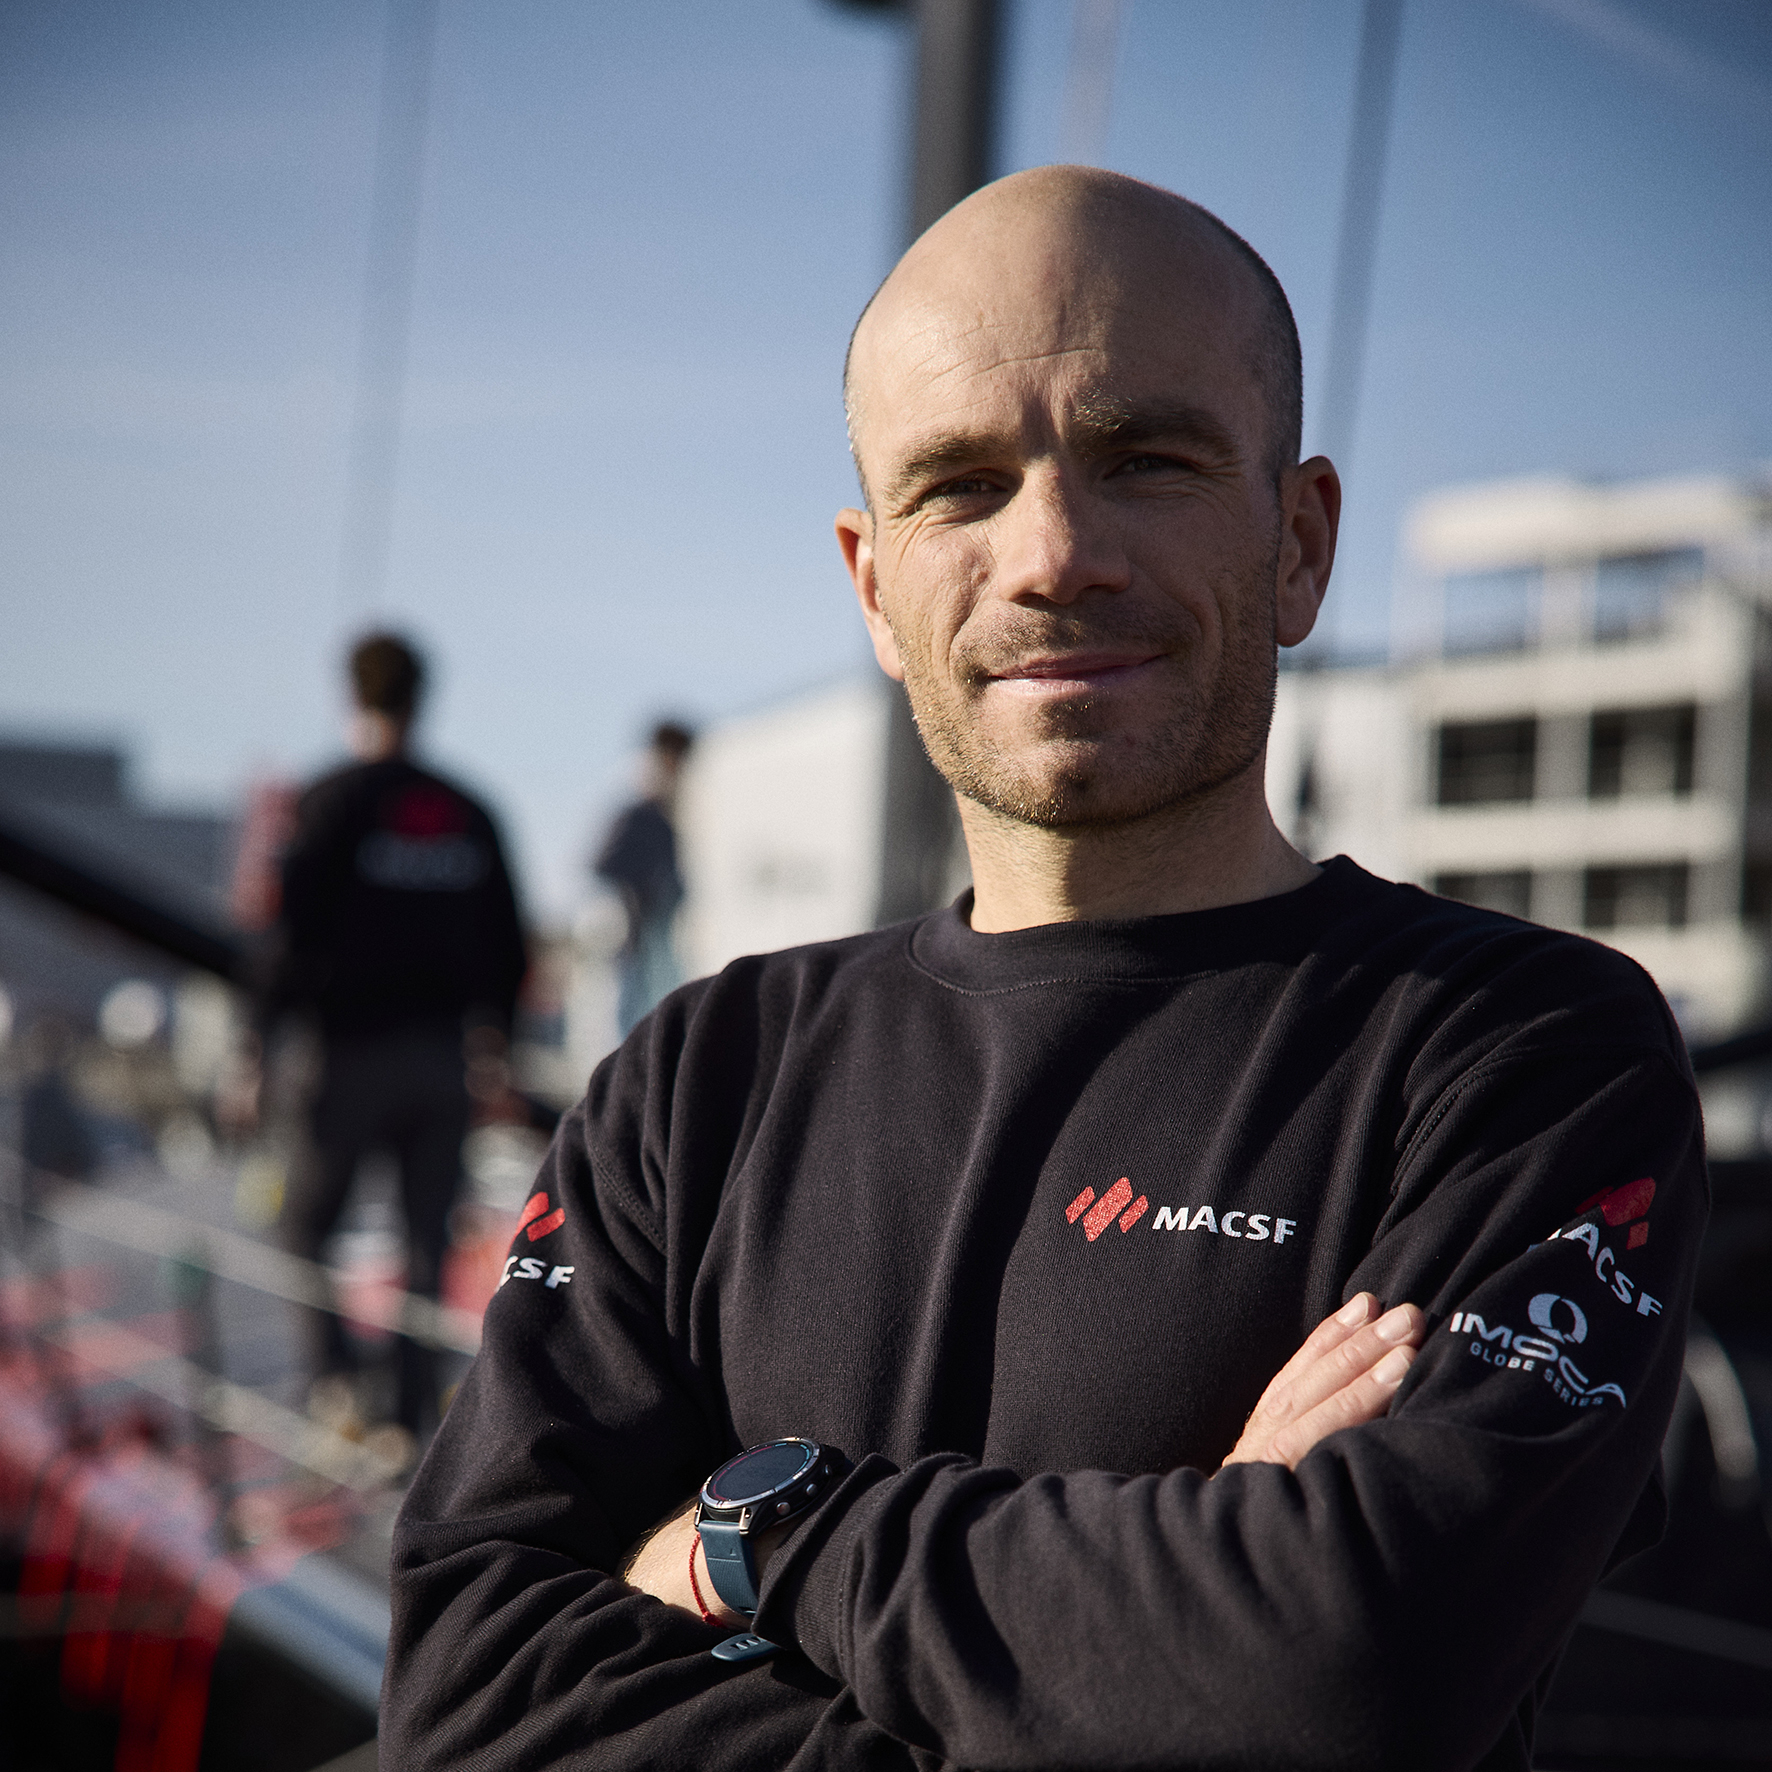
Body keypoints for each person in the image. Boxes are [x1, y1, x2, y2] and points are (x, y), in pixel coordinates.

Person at [383, 170, 1703, 1769]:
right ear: (876, 587)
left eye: (1146, 459)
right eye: (959, 487)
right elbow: (465, 1694)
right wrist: (1170, 1612)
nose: (1055, 556)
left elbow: (1348, 1676)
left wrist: (771, 1529)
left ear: (1299, 543)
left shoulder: (1523, 1056)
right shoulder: (695, 1082)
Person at [267, 632, 527, 1440]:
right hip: (442, 1061)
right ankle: (412, 1417)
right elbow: (508, 946)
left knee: (306, 1226)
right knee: (424, 1244)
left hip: (345, 1056)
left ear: (352, 695)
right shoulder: (469, 812)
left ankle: (338, 1387)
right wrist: (498, 1051)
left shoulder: (330, 801)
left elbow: (286, 935)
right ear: (422, 698)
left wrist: (254, 1047)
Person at [594, 720, 695, 1036]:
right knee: (637, 1028)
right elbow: (604, 866)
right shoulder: (641, 816)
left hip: (659, 945)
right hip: (639, 948)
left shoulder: (672, 818)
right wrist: (641, 899)